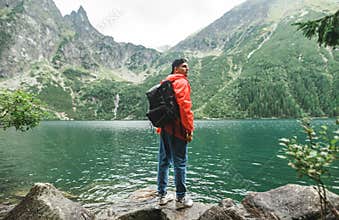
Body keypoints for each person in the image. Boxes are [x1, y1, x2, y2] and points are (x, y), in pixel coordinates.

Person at [156, 58, 194, 209]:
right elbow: (185, 108)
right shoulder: (181, 82)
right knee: (180, 163)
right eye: (184, 66)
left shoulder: (165, 82)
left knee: (164, 161)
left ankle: (161, 196)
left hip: (164, 127)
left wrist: (160, 127)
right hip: (178, 129)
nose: (187, 69)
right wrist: (189, 129)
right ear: (175, 68)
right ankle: (180, 198)